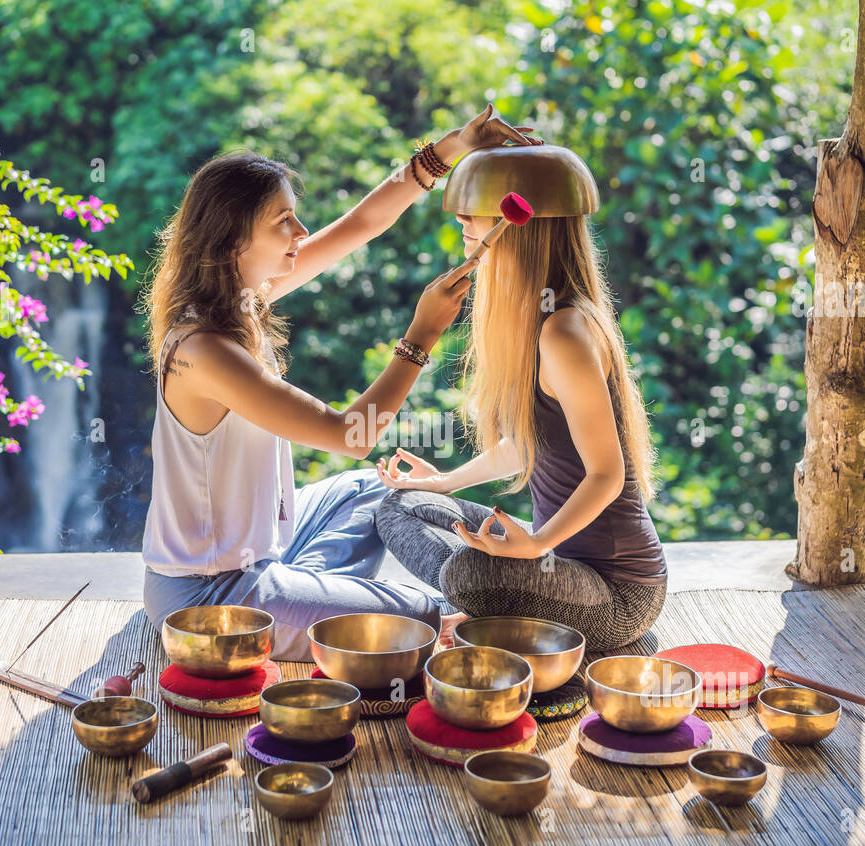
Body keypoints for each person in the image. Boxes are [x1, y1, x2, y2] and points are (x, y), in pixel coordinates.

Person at [140, 104, 543, 661]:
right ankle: (315, 605)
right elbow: (350, 435)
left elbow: (360, 226)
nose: (301, 233)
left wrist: (450, 149)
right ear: (233, 241)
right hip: (212, 597)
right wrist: (420, 337)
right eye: (283, 221)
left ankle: (311, 600)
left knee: (377, 490)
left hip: (269, 551)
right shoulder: (205, 348)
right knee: (428, 617)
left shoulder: (239, 302)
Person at [374, 145, 668, 652]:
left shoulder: (566, 331)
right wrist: (446, 482)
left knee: (467, 574)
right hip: (554, 562)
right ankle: (488, 610)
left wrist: (537, 545)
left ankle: (470, 612)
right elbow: (525, 444)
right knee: (400, 505)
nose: (462, 219)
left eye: (474, 209)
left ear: (521, 221)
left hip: (618, 595)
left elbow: (607, 474)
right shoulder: (540, 322)